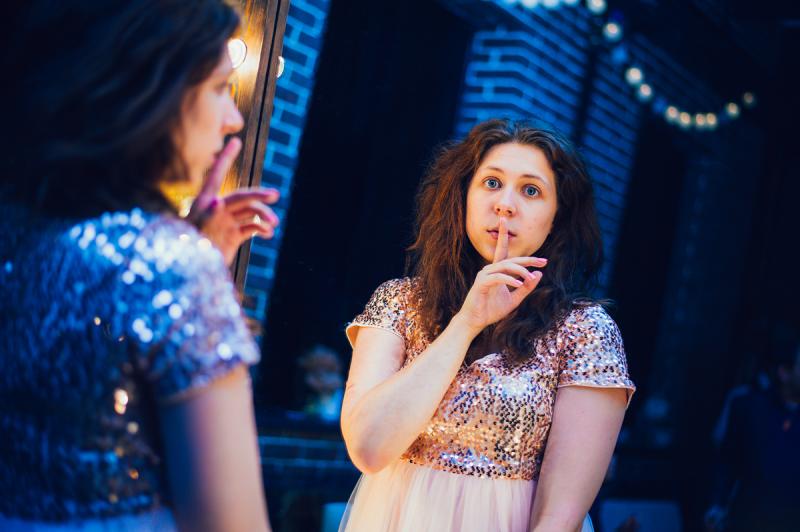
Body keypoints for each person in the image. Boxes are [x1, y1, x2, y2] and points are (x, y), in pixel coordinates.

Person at [0, 1, 279, 530]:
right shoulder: (165, 264)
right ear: (153, 89)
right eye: (220, 87)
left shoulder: (18, 232)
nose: (234, 119)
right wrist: (185, 268)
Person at [339, 119, 635, 532]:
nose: (505, 205)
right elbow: (368, 449)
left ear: (557, 216)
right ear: (464, 195)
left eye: (531, 191)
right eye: (492, 183)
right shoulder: (400, 301)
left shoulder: (585, 330)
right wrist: (466, 323)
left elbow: (558, 519)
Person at [704, 327, 800, 532]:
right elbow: (727, 461)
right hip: (747, 519)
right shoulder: (749, 407)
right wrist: (716, 506)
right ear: (784, 372)